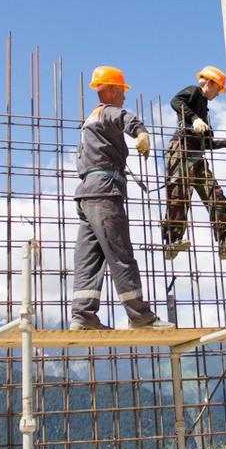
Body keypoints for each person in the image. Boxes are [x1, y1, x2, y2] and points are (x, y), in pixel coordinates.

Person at [70, 65, 173, 331]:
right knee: (120, 255)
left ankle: (83, 316)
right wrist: (141, 134)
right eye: (123, 91)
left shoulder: (90, 119)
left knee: (89, 258)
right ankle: (140, 317)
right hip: (105, 192)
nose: (125, 96)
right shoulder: (109, 111)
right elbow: (126, 118)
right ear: (113, 90)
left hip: (87, 193)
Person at [160, 66, 226, 261]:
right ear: (211, 83)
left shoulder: (204, 111)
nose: (218, 94)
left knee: (216, 196)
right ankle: (172, 241)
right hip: (181, 150)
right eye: (218, 89)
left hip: (197, 157)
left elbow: (208, 143)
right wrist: (195, 119)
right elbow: (176, 101)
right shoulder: (195, 91)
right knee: (178, 196)